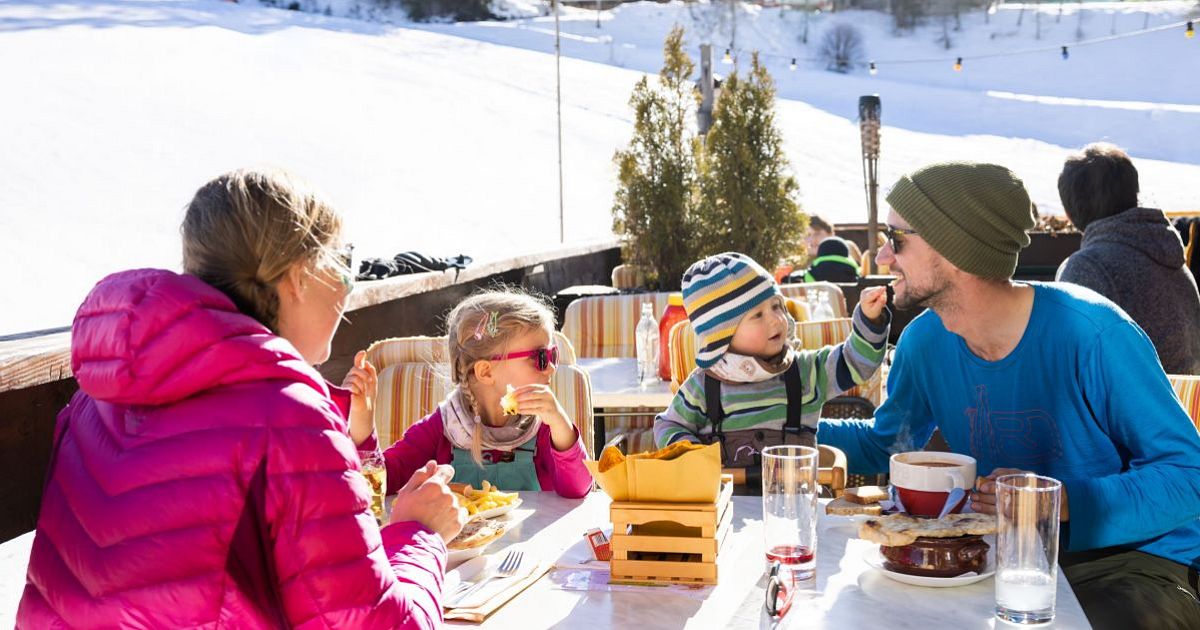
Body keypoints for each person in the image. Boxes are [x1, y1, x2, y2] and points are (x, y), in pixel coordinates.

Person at [17, 168, 465, 628]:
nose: (348, 291)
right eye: (344, 263)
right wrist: (417, 533)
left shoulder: (95, 401)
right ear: (298, 275)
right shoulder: (288, 414)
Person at [817, 161, 1200, 629]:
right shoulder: (924, 342)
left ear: (954, 249)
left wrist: (1054, 503)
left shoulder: (1094, 334)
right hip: (1000, 559)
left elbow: (1189, 477)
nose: (880, 257)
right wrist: (774, 427)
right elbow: (887, 444)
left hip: (1131, 566)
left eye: (897, 240)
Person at [653, 252, 889, 466]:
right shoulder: (704, 386)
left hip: (794, 505)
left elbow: (856, 363)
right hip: (727, 507)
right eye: (757, 315)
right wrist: (692, 455)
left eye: (777, 306)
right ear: (721, 335)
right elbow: (667, 425)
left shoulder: (806, 371)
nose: (776, 319)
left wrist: (869, 321)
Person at [378, 291, 592, 497]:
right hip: (460, 534)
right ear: (486, 372)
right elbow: (382, 481)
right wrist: (363, 423)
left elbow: (579, 489)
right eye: (540, 358)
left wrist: (560, 424)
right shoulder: (443, 427)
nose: (552, 368)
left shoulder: (544, 428)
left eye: (552, 355)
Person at [1056, 142, 1200, 375]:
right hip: (1184, 407)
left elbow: (1067, 366)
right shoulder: (1172, 258)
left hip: (1130, 410)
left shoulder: (1088, 268)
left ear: (1070, 215)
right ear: (1134, 194)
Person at [799, 213, 861, 283]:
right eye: (807, 235)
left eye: (817, 233)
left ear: (831, 234)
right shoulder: (797, 262)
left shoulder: (848, 248)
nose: (813, 239)